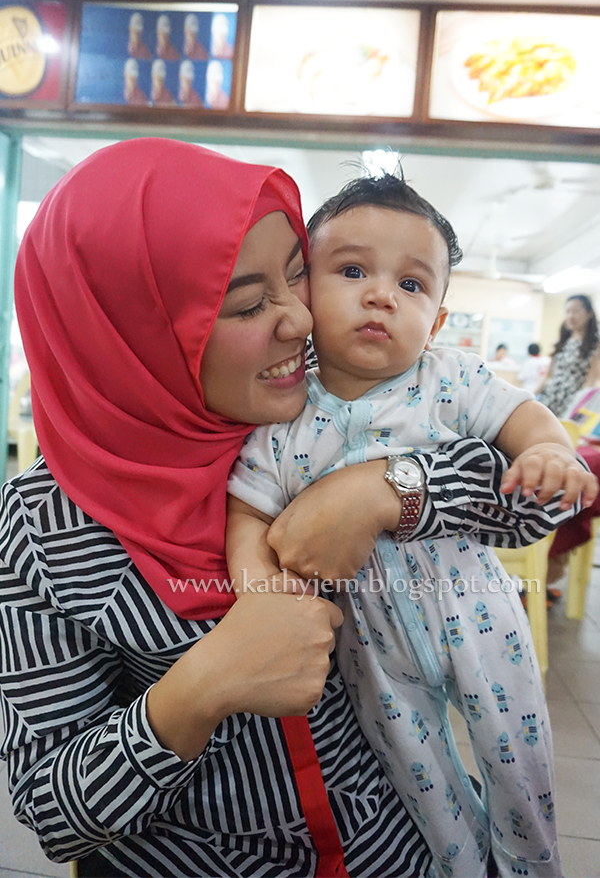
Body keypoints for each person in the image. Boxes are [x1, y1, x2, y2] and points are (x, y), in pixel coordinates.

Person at [0, 140, 584, 878]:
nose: (301, 323)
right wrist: (203, 684)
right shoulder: (45, 524)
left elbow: (528, 509)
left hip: (396, 840)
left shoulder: (306, 400)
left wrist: (386, 490)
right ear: (135, 331)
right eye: (248, 304)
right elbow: (54, 813)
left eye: (296, 279)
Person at [227, 175, 596, 878]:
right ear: (305, 292)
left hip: (476, 609)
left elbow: (521, 419)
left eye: (413, 285)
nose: (381, 295)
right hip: (367, 638)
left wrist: (549, 447)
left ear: (437, 319)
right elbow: (247, 505)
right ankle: (459, 867)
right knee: (418, 770)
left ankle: (532, 867)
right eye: (353, 270)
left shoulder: (449, 379)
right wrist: (259, 587)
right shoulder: (285, 409)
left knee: (520, 764)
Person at [538, 294, 600, 417]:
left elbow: (591, 380)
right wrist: (532, 395)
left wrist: (577, 410)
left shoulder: (595, 345)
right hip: (549, 398)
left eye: (576, 311)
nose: (570, 316)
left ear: (588, 313)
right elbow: (548, 375)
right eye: (567, 311)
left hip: (571, 404)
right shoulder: (562, 340)